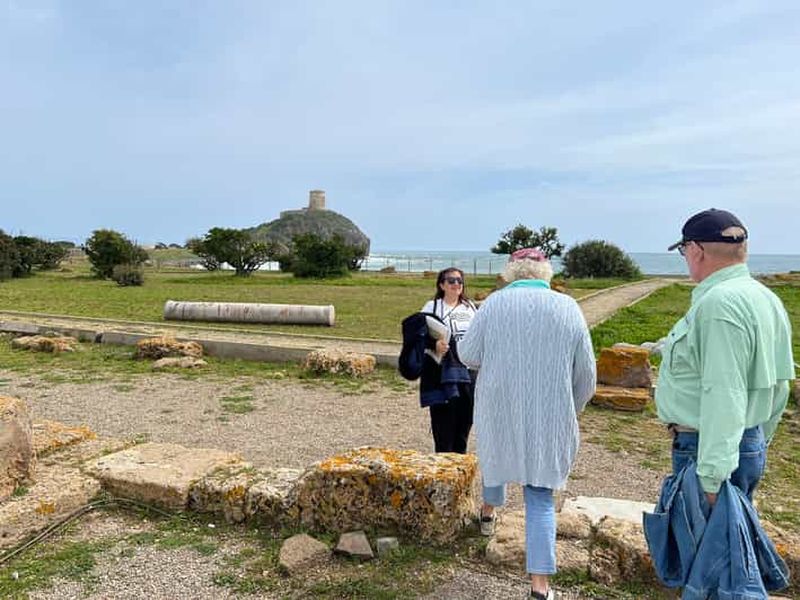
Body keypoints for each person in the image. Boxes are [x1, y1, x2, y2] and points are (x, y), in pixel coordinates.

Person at [459, 248, 596, 600]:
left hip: (500, 406)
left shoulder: (493, 304)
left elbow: (469, 355)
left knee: (495, 460)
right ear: (546, 272)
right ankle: (540, 587)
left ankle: (487, 514)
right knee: (539, 496)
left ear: (511, 272)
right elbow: (587, 375)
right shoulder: (568, 307)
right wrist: (572, 408)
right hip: (549, 414)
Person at [656, 208, 794, 505]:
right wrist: (755, 442)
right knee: (733, 533)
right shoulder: (766, 298)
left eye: (683, 250)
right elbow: (781, 385)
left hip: (707, 451)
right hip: (745, 441)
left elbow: (723, 394)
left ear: (696, 250)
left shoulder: (719, 304)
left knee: (704, 536)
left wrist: (711, 479)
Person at [419, 267, 477, 454]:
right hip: (442, 374)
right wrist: (434, 344)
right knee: (443, 428)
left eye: (460, 281)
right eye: (451, 280)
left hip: (468, 373)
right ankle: (443, 465)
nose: (456, 284)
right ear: (441, 285)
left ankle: (460, 465)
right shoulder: (432, 307)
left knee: (464, 426)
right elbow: (417, 334)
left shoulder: (470, 307)